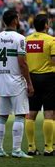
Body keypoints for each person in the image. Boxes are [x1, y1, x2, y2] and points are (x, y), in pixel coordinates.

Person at [0, 9, 34, 158]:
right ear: (15, 20)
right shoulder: (20, 38)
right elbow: (22, 63)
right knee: (20, 115)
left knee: (2, 116)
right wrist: (29, 83)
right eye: (18, 17)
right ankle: (16, 150)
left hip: (2, 81)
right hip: (16, 81)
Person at [25, 14, 55, 156]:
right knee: (49, 112)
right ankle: (49, 148)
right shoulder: (51, 40)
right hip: (49, 78)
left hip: (31, 78)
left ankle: (31, 147)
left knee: (31, 113)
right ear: (46, 25)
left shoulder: (27, 40)